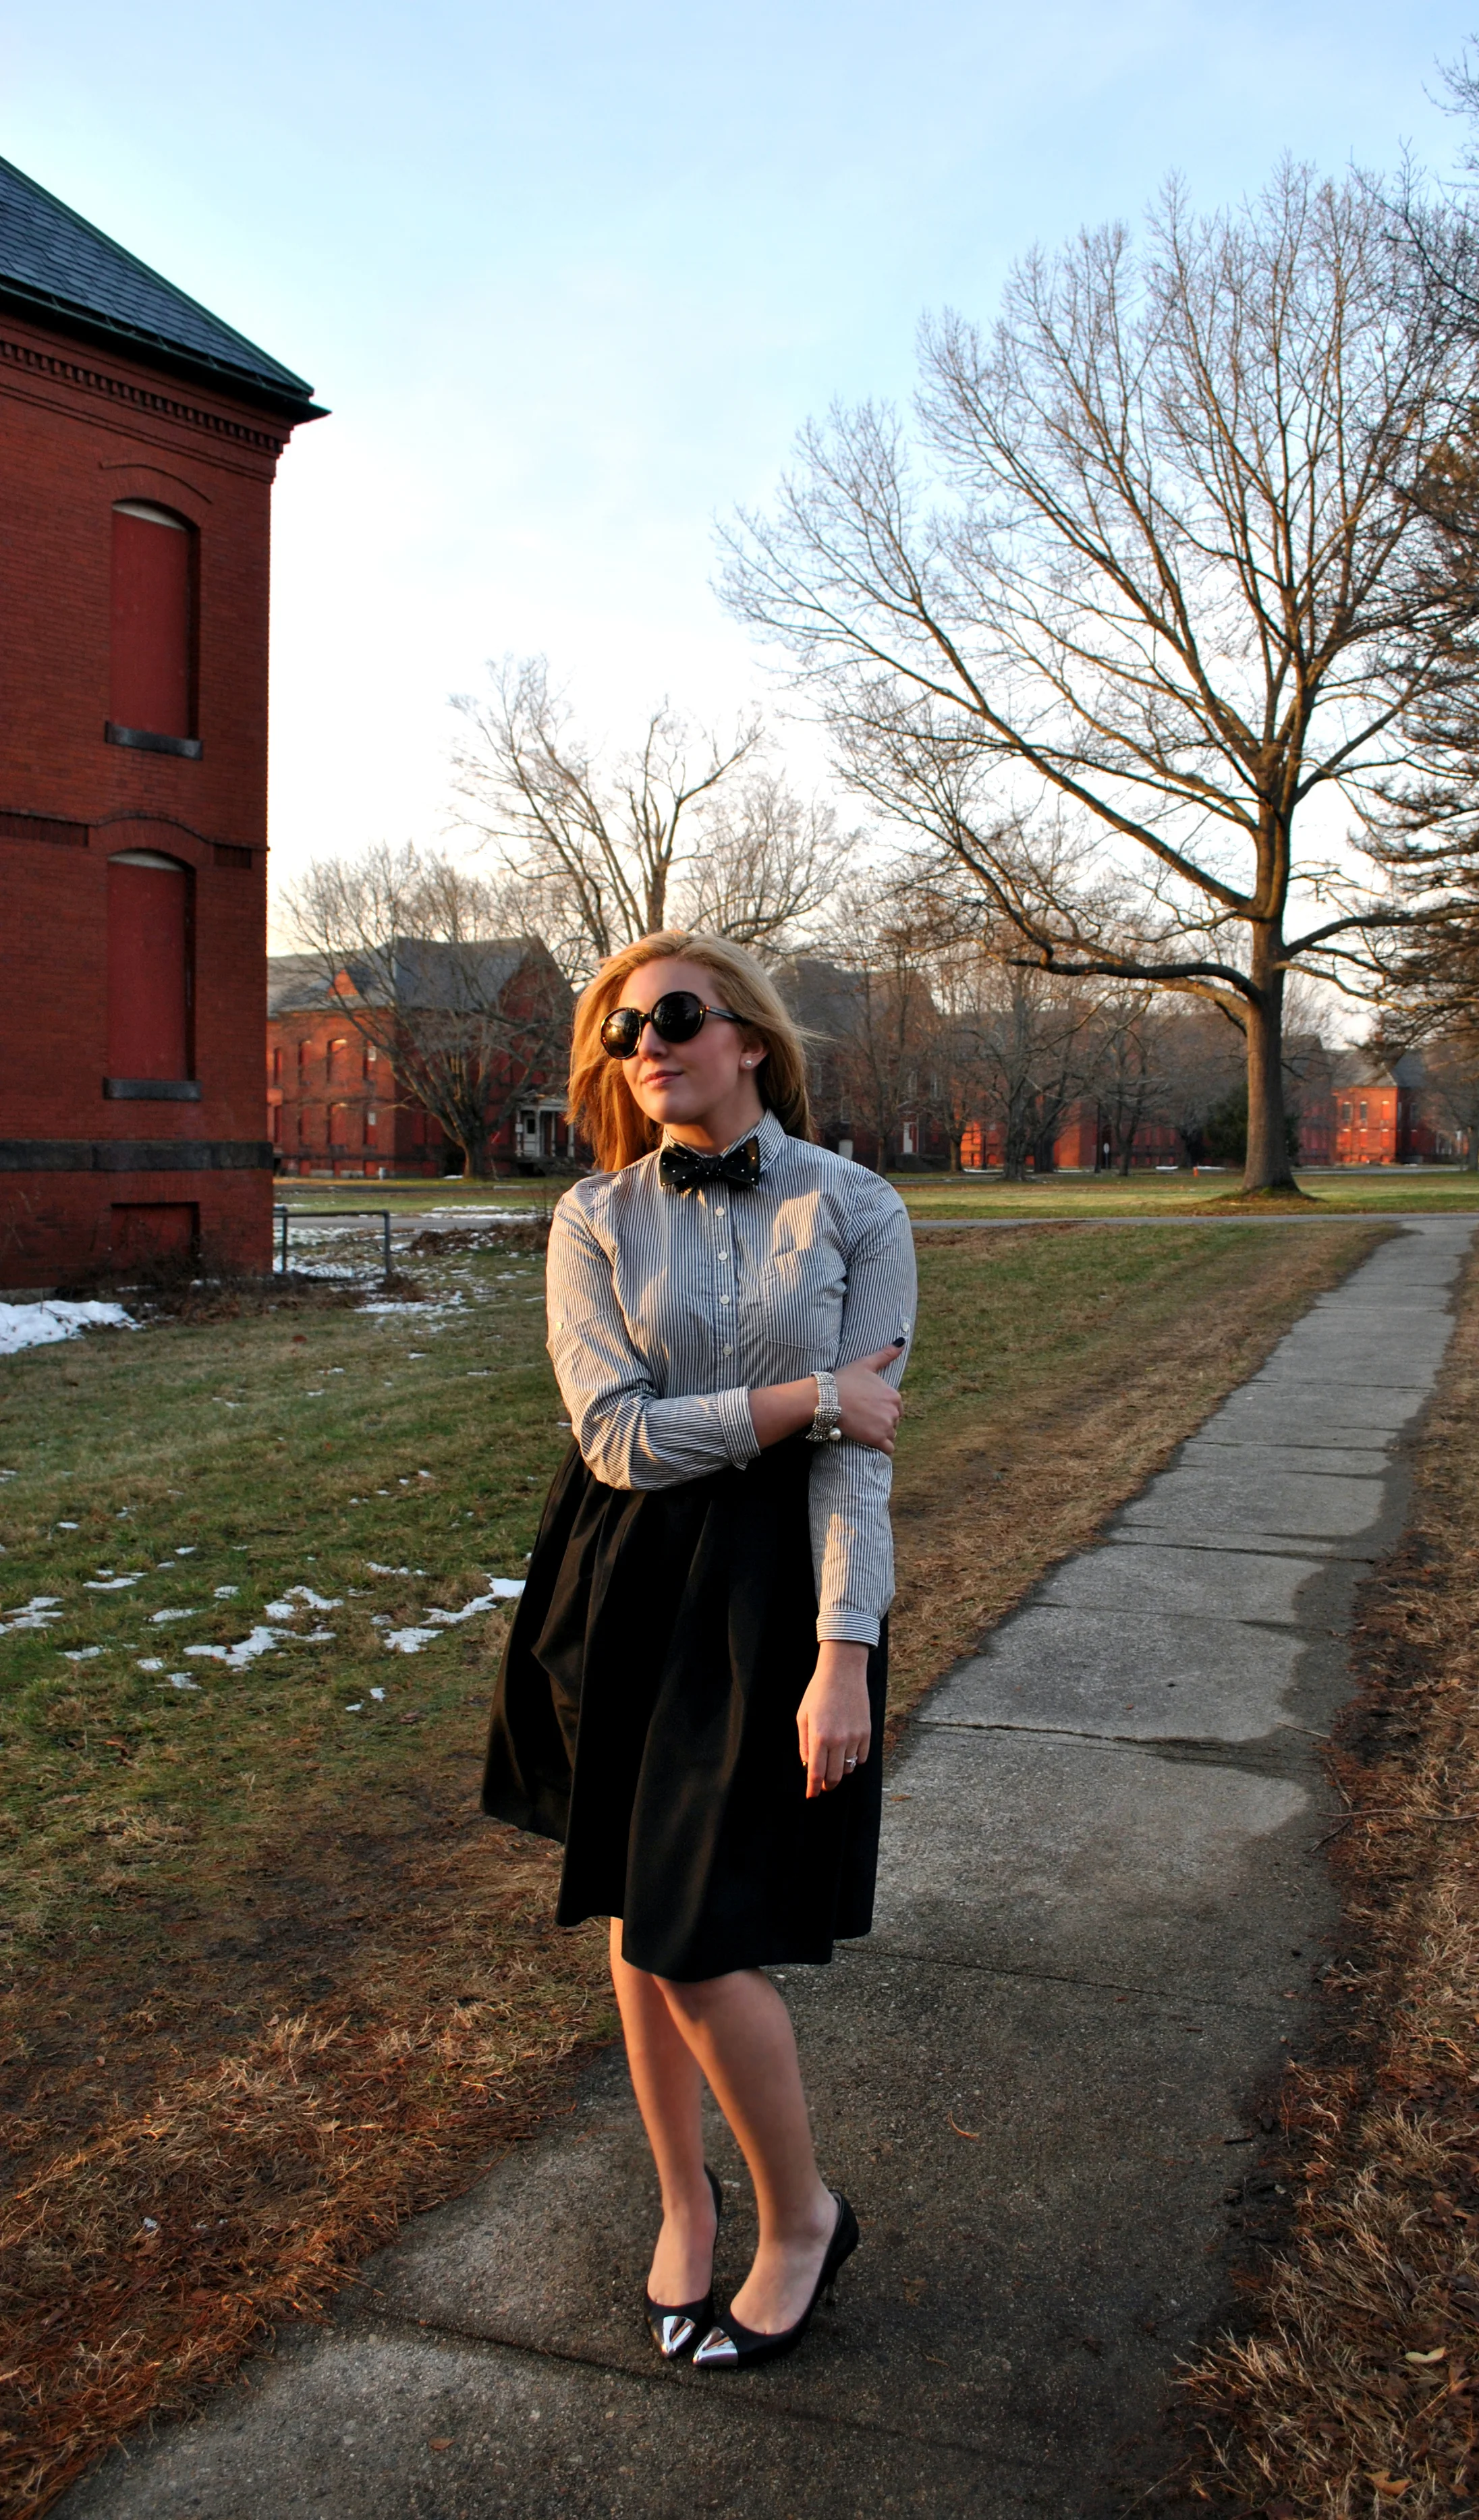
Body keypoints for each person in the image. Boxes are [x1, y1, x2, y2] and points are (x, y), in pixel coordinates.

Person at [483, 930, 917, 2372]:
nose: (647, 1044)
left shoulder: (856, 1207)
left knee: (696, 1927)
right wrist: (804, 1398)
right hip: (621, 1573)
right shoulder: (593, 1218)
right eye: (618, 1029)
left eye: (673, 1016)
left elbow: (863, 1465)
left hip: (773, 1583)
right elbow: (612, 1436)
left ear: (748, 1037)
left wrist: (844, 1651)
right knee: (633, 1899)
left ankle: (800, 2216)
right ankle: (685, 2195)